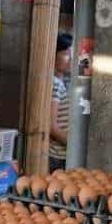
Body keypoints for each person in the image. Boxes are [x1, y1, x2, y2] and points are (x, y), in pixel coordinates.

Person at [48, 33, 72, 171]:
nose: (70, 59)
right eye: (66, 54)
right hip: (58, 157)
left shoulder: (60, 82)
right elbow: (51, 126)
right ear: (53, 55)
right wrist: (74, 147)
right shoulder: (55, 84)